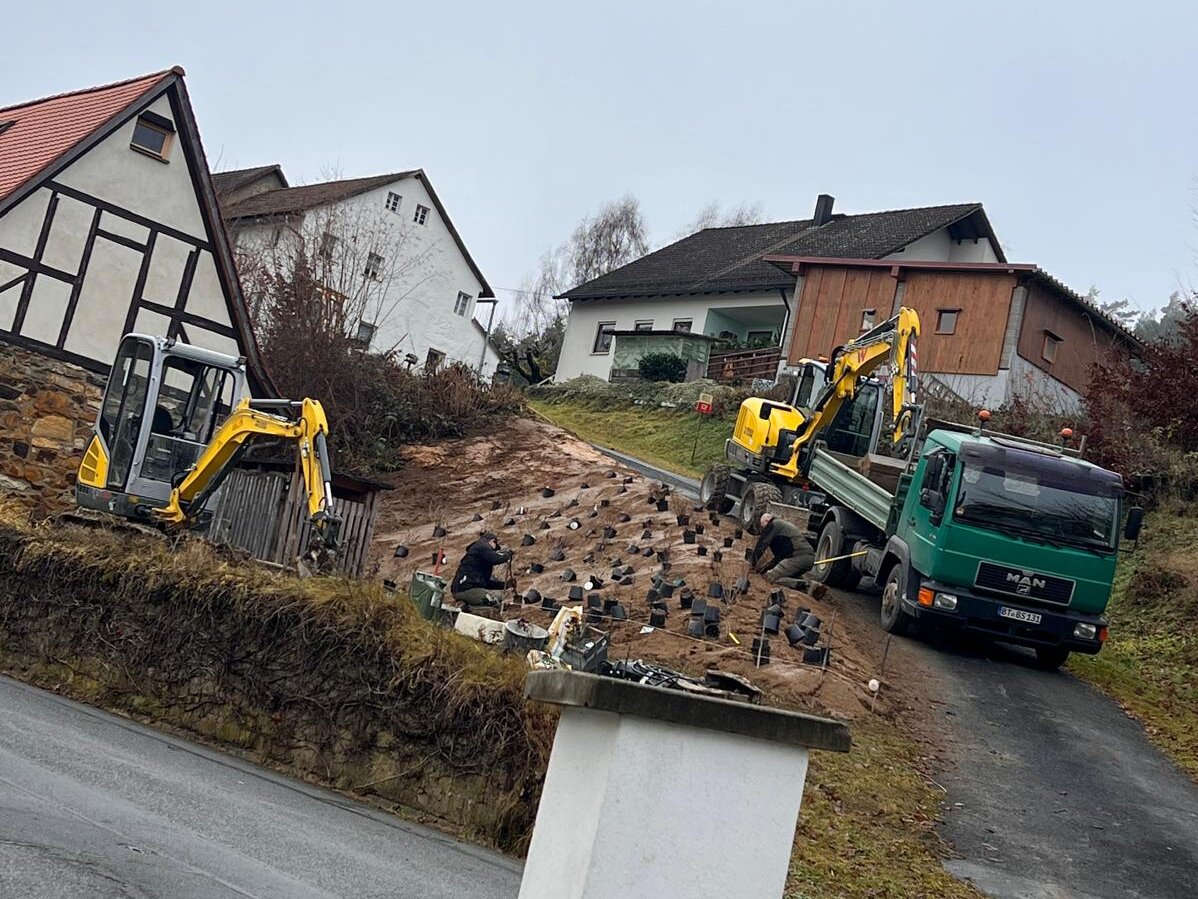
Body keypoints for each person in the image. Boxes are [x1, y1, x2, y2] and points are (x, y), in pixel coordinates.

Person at [750, 513, 817, 591]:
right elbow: (779, 558)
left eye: (763, 526)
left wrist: (752, 563)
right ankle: (802, 582)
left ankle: (807, 585)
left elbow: (762, 544)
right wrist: (765, 568)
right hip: (807, 559)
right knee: (781, 576)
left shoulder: (773, 525)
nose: (763, 530)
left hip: (798, 558)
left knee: (770, 577)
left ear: (767, 521)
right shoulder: (781, 528)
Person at [451, 532, 514, 607]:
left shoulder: (478, 557)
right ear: (492, 541)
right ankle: (466, 608)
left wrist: (506, 585)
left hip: (463, 590)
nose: (493, 551)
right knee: (495, 600)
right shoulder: (481, 546)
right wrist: (507, 555)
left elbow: (486, 583)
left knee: (494, 598)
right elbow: (495, 559)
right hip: (467, 589)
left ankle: (466, 605)